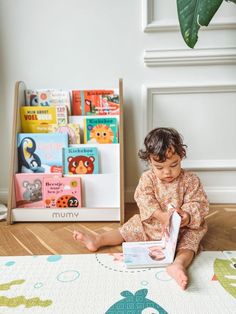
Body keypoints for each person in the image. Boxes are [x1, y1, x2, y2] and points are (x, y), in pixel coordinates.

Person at [73, 127, 209, 290]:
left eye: (174, 164)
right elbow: (143, 198)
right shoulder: (148, 178)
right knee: (131, 227)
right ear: (149, 161)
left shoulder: (190, 180)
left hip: (182, 229)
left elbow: (199, 203)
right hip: (153, 225)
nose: (167, 172)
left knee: (191, 241)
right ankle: (98, 240)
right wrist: (160, 215)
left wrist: (186, 216)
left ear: (182, 156)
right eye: (159, 167)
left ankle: (178, 264)